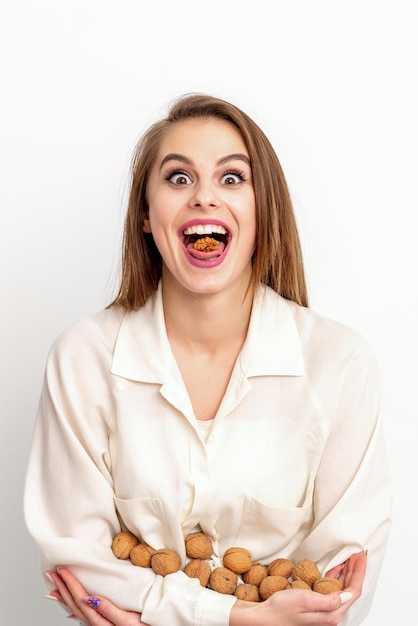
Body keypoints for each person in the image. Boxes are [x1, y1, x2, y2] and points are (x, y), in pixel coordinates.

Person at [24, 93, 392, 626]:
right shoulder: (83, 358)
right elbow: (75, 557)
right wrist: (243, 616)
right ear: (146, 217)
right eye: (178, 178)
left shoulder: (339, 363)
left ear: (263, 209)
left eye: (231, 178)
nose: (203, 198)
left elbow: (337, 590)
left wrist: (154, 611)